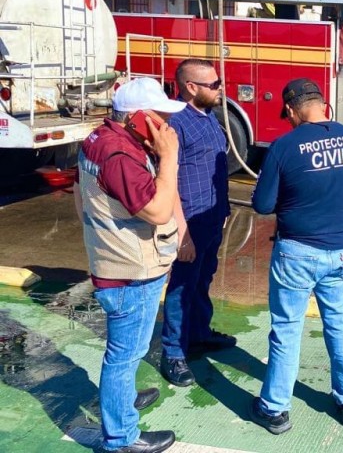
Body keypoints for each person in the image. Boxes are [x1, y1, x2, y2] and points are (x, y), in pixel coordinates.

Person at [250, 78, 343, 435]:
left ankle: (275, 409)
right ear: (322, 104)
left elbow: (261, 204)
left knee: (287, 328)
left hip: (297, 252)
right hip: (341, 252)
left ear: (291, 109)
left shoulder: (284, 147)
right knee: (338, 321)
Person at [74, 77, 185, 453]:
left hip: (115, 263)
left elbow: (80, 195)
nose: (167, 127)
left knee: (125, 353)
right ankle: (121, 438)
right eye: (160, 117)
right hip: (130, 272)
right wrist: (169, 157)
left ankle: (120, 401)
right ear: (138, 118)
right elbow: (157, 209)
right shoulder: (120, 156)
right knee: (124, 355)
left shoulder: (99, 140)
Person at [160, 59, 234, 388]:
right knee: (181, 288)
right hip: (189, 220)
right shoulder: (177, 123)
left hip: (212, 217)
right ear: (192, 87)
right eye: (214, 85)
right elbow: (169, 179)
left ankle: (199, 334)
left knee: (203, 280)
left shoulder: (210, 117)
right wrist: (182, 233)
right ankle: (173, 353)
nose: (221, 89)